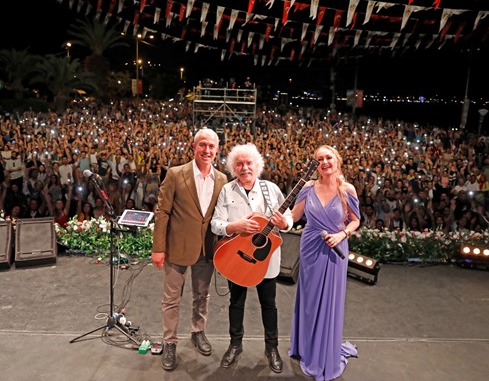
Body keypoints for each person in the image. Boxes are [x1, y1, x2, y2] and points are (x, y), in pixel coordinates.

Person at [210, 143, 293, 373]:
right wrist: (234, 226)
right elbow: (216, 224)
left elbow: (288, 219)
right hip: (236, 258)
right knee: (236, 303)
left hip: (265, 260)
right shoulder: (227, 190)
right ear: (233, 168)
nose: (244, 167)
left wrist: (284, 223)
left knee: (269, 305)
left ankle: (272, 348)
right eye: (239, 164)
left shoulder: (271, 189)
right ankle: (235, 345)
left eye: (248, 163)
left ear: (257, 165)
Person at [151, 128, 228, 372]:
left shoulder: (222, 179)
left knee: (202, 296)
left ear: (217, 150)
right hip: (176, 248)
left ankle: (198, 331)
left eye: (211, 146)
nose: (207, 150)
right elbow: (162, 212)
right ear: (193, 146)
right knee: (171, 299)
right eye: (202, 145)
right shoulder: (175, 174)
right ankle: (170, 342)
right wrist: (158, 248)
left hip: (207, 249)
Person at [289, 145, 361, 381]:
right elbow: (294, 216)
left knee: (330, 301)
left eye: (328, 157)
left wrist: (342, 235)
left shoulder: (347, 189)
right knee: (309, 300)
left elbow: (355, 220)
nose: (324, 162)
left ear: (337, 160)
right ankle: (306, 347)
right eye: (319, 159)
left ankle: (323, 352)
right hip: (310, 247)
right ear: (315, 165)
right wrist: (279, 219)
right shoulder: (307, 187)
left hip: (335, 249)